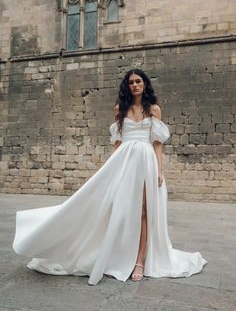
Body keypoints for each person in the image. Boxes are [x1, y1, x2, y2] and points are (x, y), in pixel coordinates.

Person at [12, 69, 207, 285]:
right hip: (123, 162)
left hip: (146, 161)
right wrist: (108, 169)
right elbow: (117, 144)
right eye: (131, 82)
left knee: (144, 210)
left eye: (138, 81)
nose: (135, 85)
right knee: (118, 208)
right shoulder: (120, 109)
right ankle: (116, 254)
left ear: (145, 84)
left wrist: (160, 171)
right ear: (127, 86)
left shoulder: (154, 110)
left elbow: (158, 144)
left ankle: (140, 261)